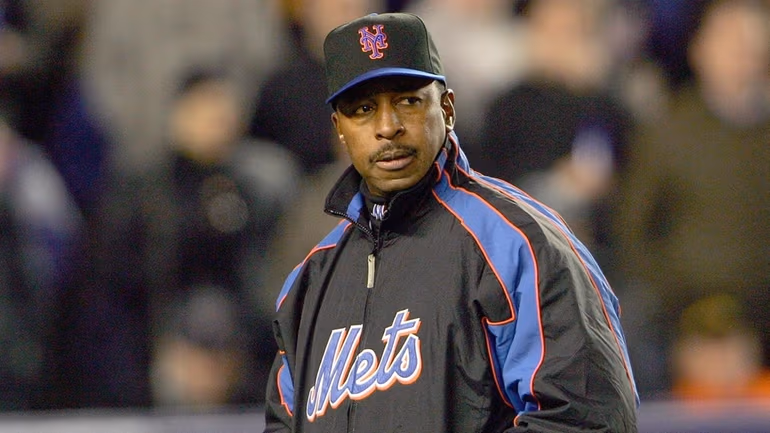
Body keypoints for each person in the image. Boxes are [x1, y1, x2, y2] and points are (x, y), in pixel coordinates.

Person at [263, 12, 638, 432]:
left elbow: (587, 417)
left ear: (447, 108)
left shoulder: (519, 242)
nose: (388, 127)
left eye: (408, 101)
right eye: (364, 109)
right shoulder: (309, 282)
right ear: (339, 128)